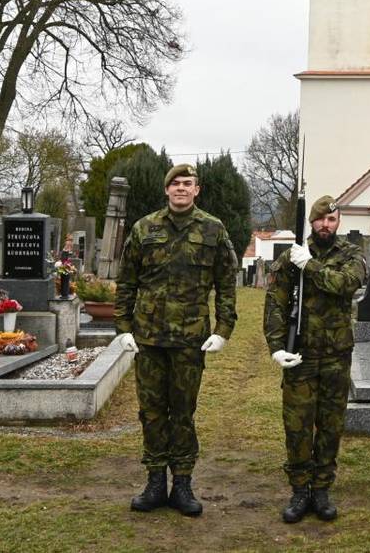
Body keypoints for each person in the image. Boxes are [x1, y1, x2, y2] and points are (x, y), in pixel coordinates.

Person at [114, 164, 238, 517]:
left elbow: (226, 283)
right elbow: (127, 282)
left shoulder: (213, 229)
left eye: (188, 184)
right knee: (152, 413)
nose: (181, 189)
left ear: (197, 190)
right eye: (175, 184)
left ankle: (182, 483)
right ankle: (155, 482)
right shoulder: (144, 228)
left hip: (190, 340)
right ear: (166, 190)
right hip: (149, 338)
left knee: (183, 412)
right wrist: (123, 327)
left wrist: (222, 330)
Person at [264, 195, 367, 523]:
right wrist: (276, 347)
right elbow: (275, 304)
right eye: (321, 219)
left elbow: (346, 284)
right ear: (311, 221)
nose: (326, 225)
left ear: (338, 222)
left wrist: (310, 265)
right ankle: (299, 489)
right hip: (301, 355)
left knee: (330, 426)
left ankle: (321, 489)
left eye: (332, 219)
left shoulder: (350, 254)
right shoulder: (289, 258)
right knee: (297, 426)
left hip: (336, 356)